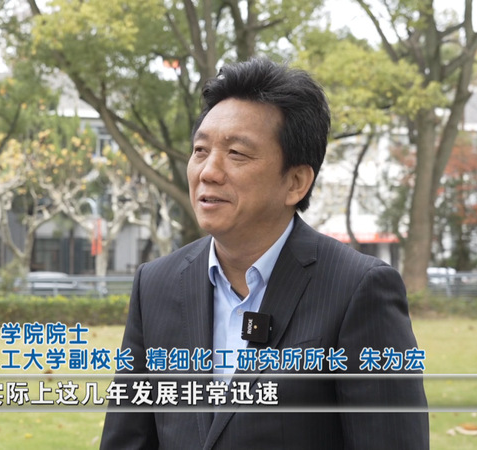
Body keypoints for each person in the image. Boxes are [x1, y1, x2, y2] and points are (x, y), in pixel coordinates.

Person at [100, 57, 429, 449]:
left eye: (237, 153)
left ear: (295, 182)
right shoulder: (155, 284)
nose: (208, 172)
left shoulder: (359, 290)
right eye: (200, 150)